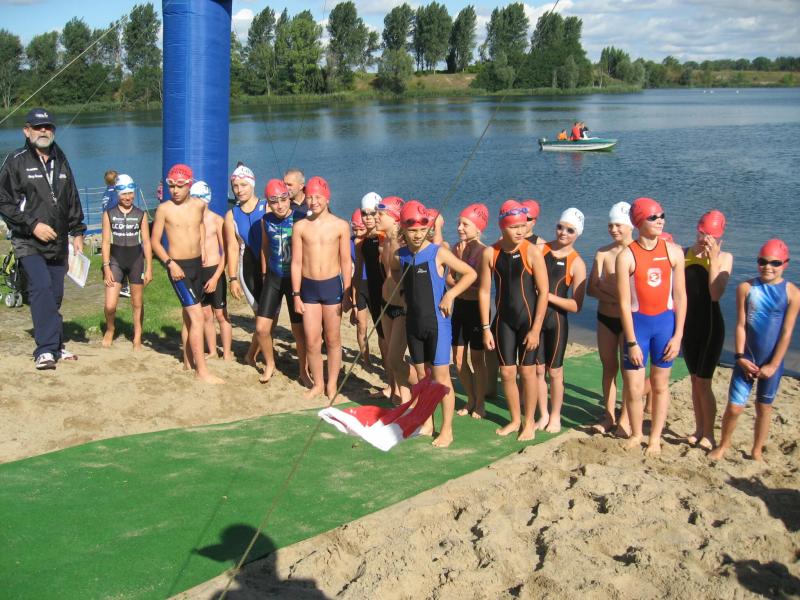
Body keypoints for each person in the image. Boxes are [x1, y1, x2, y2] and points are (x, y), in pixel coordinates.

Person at [0, 107, 86, 370]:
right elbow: (4, 202)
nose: (44, 131)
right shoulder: (16, 160)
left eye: (48, 127)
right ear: (27, 131)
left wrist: (78, 230)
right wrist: (33, 225)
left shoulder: (61, 158)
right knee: (41, 288)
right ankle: (45, 350)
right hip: (28, 241)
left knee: (55, 294)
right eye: (38, 127)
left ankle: (56, 345)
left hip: (58, 241)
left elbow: (71, 196)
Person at [394, 200, 477, 448]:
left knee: (441, 379)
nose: (417, 235)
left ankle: (447, 429)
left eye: (422, 230)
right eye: (412, 230)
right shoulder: (401, 255)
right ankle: (427, 422)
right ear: (403, 229)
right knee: (422, 377)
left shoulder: (437, 252)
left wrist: (451, 294)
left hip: (437, 324)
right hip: (413, 324)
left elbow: (470, 274)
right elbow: (398, 279)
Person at [709, 239, 798, 462]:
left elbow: (786, 332)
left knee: (763, 408)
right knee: (734, 408)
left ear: (785, 264)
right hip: (746, 359)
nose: (768, 267)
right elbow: (740, 325)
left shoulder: (792, 293)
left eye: (775, 263)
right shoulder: (746, 288)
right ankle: (724, 445)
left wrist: (773, 365)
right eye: (762, 261)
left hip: (772, 363)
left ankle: (757, 450)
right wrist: (739, 356)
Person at [616, 197, 686, 454]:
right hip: (638, 328)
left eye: (662, 215)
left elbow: (680, 297)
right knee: (634, 388)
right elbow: (624, 303)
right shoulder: (626, 256)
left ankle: (655, 438)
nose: (660, 220)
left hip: (665, 326)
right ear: (638, 222)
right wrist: (631, 341)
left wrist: (678, 336)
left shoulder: (673, 252)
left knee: (660, 385)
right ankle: (637, 433)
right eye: (653, 217)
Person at [479, 200, 549, 441]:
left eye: (523, 225)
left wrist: (536, 329)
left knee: (527, 373)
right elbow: (484, 292)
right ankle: (515, 419)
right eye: (514, 227)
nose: (520, 231)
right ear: (502, 227)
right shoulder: (491, 253)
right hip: (503, 322)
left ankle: (529, 423)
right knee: (507, 373)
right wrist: (486, 327)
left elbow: (543, 293)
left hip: (528, 322)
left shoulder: (532, 251)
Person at [150, 164, 223, 384]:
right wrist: (170, 263)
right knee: (197, 316)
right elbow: (155, 242)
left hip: (196, 265)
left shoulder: (199, 205)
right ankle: (202, 371)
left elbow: (199, 226)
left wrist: (202, 250)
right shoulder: (164, 209)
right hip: (178, 269)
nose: (175, 190)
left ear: (189, 185)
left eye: (179, 186)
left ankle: (187, 361)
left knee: (188, 318)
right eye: (171, 186)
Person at [291, 176, 352, 399]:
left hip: (331, 287)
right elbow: (296, 262)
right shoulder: (300, 227)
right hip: (308, 289)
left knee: (333, 339)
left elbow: (346, 261)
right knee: (312, 340)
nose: (313, 201)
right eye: (309, 197)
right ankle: (318, 383)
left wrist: (347, 291)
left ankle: (332, 383)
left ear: (327, 198)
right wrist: (296, 294)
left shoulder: (340, 225)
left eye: (318, 197)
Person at [683, 210, 733, 450]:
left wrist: (712, 259)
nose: (705, 239)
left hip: (711, 326)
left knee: (704, 382)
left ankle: (709, 434)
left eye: (711, 236)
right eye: (703, 234)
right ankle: (699, 429)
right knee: (694, 381)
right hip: (689, 326)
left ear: (719, 236)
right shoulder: (684, 253)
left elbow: (715, 293)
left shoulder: (725, 258)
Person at [535, 208, 587, 433]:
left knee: (555, 371)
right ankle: (543, 414)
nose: (563, 232)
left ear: (578, 233)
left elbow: (576, 306)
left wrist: (547, 296)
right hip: (535, 319)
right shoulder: (540, 249)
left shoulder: (577, 263)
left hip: (556, 321)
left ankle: (555, 415)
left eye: (570, 230)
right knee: (538, 370)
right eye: (560, 227)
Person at [255, 179, 308, 384]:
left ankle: (303, 371)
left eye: (283, 199)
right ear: (268, 202)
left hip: (295, 281)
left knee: (299, 332)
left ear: (289, 198)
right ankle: (270, 364)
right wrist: (264, 273)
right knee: (261, 329)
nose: (279, 205)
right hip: (274, 278)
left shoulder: (300, 218)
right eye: (274, 201)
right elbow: (265, 247)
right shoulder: (266, 220)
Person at [588, 201, 634, 435]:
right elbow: (591, 288)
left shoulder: (637, 253)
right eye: (610, 225)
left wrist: (609, 290)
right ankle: (609, 416)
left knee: (628, 370)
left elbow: (639, 293)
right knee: (609, 367)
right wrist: (616, 296)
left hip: (629, 321)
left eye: (618, 225)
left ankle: (625, 417)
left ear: (630, 226)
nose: (613, 229)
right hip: (605, 318)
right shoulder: (603, 253)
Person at [101, 174, 152, 349]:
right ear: (117, 194)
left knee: (137, 303)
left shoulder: (140, 214)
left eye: (130, 193)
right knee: (110, 305)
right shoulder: (109, 214)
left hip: (136, 260)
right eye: (124, 194)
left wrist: (149, 267)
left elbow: (147, 242)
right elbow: (105, 242)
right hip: (115, 260)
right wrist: (106, 267)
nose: (128, 197)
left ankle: (137, 335)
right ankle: (110, 328)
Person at [449, 203, 489, 419]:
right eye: (459, 223)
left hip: (476, 309)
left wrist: (459, 285)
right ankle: (471, 398)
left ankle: (480, 402)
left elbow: (483, 286)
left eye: (465, 224)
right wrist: (459, 285)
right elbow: (449, 276)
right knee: (458, 359)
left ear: (478, 227)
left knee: (477, 359)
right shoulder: (456, 248)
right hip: (459, 307)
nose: (459, 228)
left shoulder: (484, 252)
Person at [225, 164, 267, 365]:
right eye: (235, 186)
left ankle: (253, 354)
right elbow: (232, 248)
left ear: (252, 184)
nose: (239, 190)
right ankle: (253, 355)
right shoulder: (231, 215)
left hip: (270, 270)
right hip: (247, 269)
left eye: (243, 185)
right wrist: (232, 278)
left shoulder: (267, 207)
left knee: (270, 318)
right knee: (261, 317)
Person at [191, 181, 233, 361]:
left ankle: (227, 352)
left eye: (200, 199)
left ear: (207, 200)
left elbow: (226, 252)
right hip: (198, 272)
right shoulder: (190, 220)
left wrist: (216, 277)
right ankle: (213, 350)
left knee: (221, 314)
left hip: (214, 270)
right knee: (206, 314)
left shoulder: (217, 220)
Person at [376, 196, 411, 405]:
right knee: (391, 355)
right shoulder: (385, 241)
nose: (376, 217)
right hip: (385, 303)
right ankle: (400, 395)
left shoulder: (403, 243)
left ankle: (424, 383)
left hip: (400, 306)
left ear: (395, 218)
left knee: (395, 358)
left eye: (381, 214)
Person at [350, 208, 371, 364]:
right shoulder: (349, 243)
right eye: (355, 229)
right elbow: (351, 273)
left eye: (361, 230)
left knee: (383, 330)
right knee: (361, 326)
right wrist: (353, 304)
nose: (358, 233)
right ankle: (366, 359)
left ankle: (386, 362)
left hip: (375, 285)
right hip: (359, 286)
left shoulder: (375, 240)